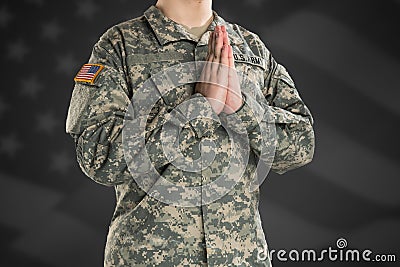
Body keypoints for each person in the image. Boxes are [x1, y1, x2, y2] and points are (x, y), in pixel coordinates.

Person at [66, 0, 315, 266]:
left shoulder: (251, 48)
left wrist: (241, 108)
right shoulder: (120, 46)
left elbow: (301, 146)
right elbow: (98, 157)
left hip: (241, 258)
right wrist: (200, 108)